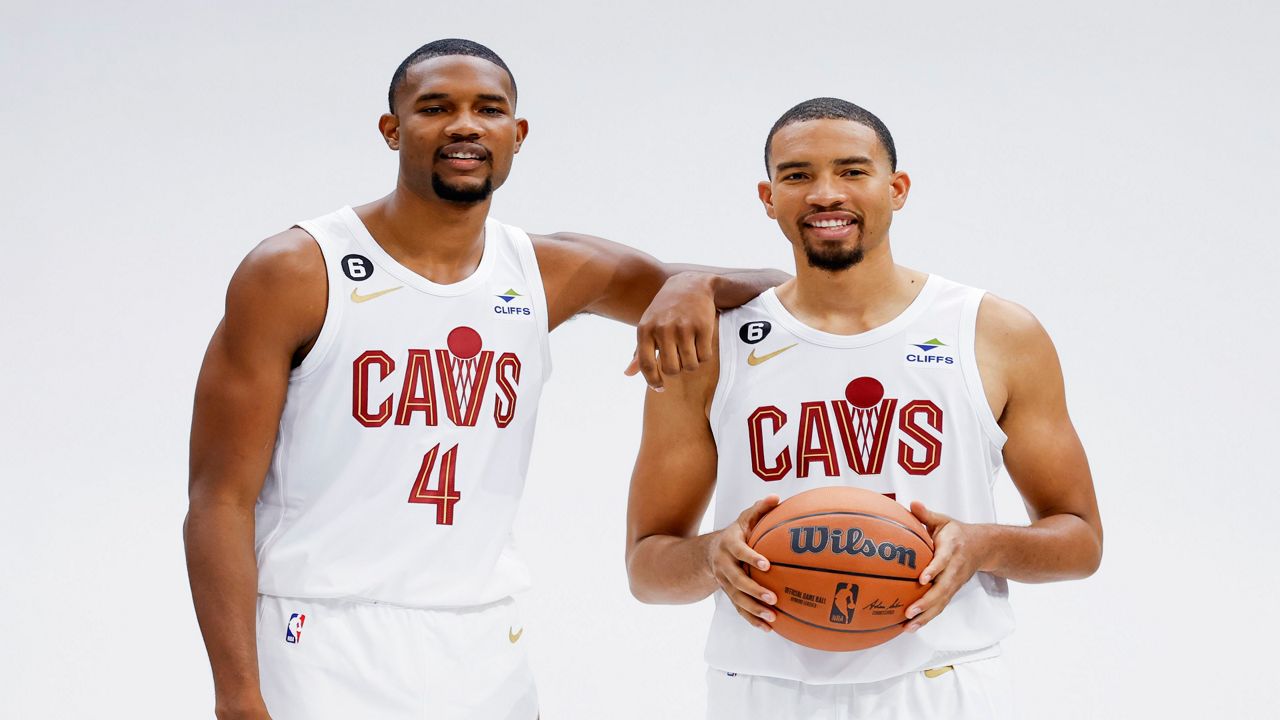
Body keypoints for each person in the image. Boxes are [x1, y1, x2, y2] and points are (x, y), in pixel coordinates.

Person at [184, 39, 785, 720]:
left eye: (488, 110)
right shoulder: (295, 270)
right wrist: (236, 694)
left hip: (482, 639)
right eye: (436, 108)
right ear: (393, 129)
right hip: (317, 634)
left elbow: (776, 294)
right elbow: (218, 502)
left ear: (516, 134)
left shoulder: (550, 269)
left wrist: (695, 284)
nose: (464, 125)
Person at [625, 97, 1103, 719]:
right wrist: (711, 557)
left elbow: (1081, 539)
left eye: (852, 171)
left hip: (941, 682)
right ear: (768, 197)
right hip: (762, 688)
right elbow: (647, 566)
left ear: (897, 188)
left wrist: (981, 546)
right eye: (797, 175)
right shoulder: (709, 345)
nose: (825, 193)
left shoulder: (992, 331)